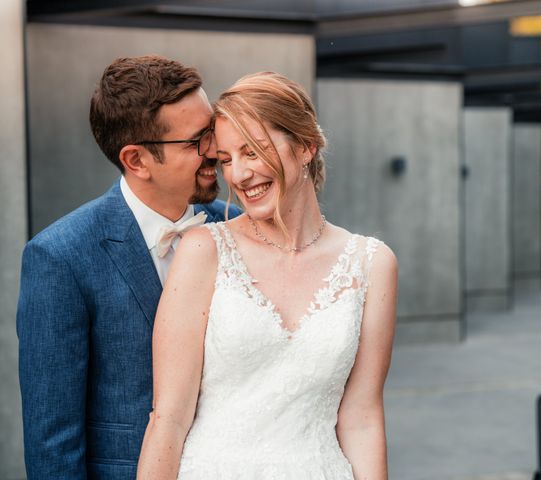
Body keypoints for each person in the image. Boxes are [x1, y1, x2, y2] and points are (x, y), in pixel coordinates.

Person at [137, 72, 398, 479]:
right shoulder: (203, 250)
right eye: (225, 160)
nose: (238, 175)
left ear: (306, 146)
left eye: (253, 152)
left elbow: (362, 417)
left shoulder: (372, 263)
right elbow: (168, 418)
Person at [16, 55, 240, 479]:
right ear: (136, 160)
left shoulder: (235, 226)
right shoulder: (60, 257)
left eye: (212, 130)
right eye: (196, 141)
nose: (215, 149)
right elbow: (52, 437)